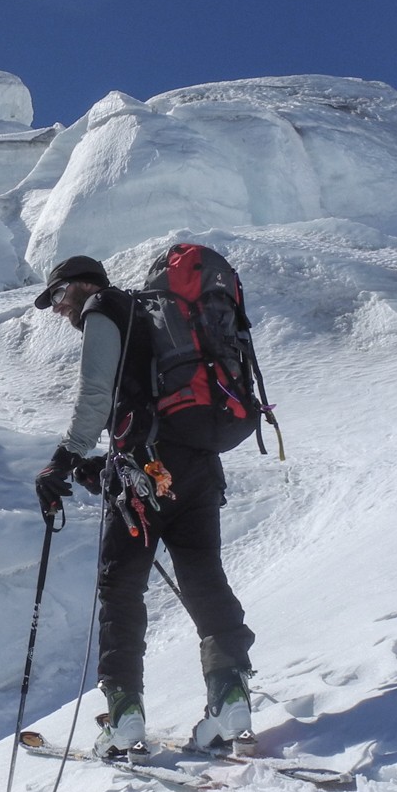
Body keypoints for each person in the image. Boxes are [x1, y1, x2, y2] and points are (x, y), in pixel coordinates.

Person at [31, 255, 257, 758]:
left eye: (61, 297)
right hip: (197, 466)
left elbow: (94, 397)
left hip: (145, 475)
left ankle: (124, 714)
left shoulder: (103, 307)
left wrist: (61, 462)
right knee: (203, 575)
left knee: (120, 587)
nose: (62, 311)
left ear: (83, 285)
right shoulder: (154, 318)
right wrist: (97, 469)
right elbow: (149, 409)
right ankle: (230, 696)